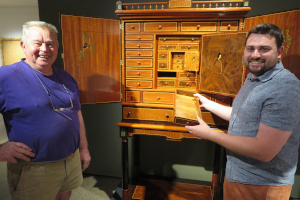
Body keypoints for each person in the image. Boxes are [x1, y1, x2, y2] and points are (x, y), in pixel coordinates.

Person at [186, 23, 300, 199]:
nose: (255, 55)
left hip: (262, 184)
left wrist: (210, 134)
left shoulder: (285, 88)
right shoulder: (254, 78)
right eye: (250, 48)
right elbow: (244, 117)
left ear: (279, 52)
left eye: (264, 49)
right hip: (238, 175)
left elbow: (264, 151)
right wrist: (209, 104)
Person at [0, 21, 91, 200]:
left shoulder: (66, 77)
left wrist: (84, 148)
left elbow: (77, 113)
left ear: (57, 47)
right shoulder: (6, 76)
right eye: (37, 43)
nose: (45, 49)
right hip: (34, 169)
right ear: (23, 45)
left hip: (70, 161)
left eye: (50, 44)